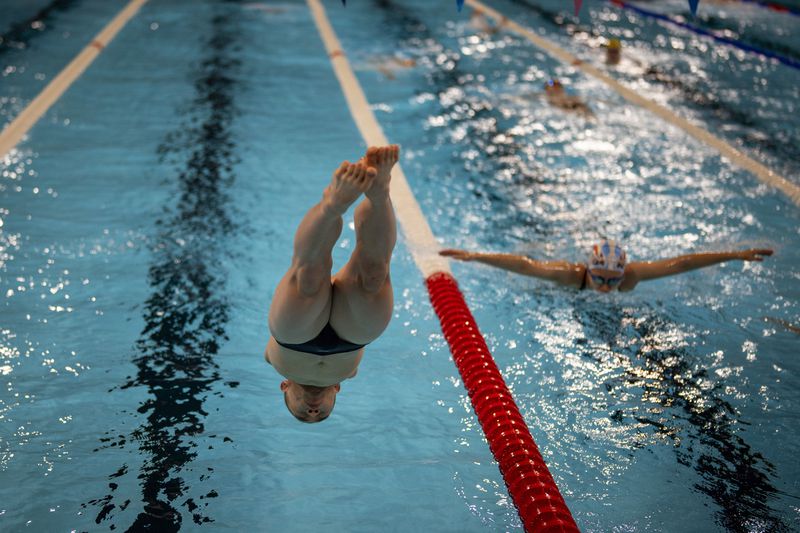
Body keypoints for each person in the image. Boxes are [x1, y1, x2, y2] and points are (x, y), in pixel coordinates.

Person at [265, 145, 399, 422]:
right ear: (337, 388)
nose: (313, 410)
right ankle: (379, 191)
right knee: (374, 273)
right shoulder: (348, 372)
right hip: (352, 338)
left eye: (302, 413)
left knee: (309, 276)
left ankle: (333, 204)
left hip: (293, 338)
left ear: (284, 386)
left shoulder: (276, 365)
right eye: (322, 413)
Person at [440, 239, 773, 292]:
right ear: (588, 270)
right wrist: (474, 256)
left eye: (613, 281)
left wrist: (734, 254)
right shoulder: (571, 276)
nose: (605, 287)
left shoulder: (632, 277)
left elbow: (682, 263)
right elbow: (526, 266)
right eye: (600, 278)